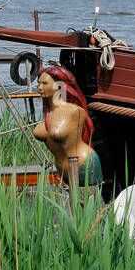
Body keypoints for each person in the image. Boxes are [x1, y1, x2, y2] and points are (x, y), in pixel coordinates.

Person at [33, 65, 103, 210]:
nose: (39, 87)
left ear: (59, 86)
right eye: (38, 83)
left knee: (90, 209)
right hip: (62, 168)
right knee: (72, 209)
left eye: (44, 83)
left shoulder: (74, 111)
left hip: (83, 164)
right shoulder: (49, 113)